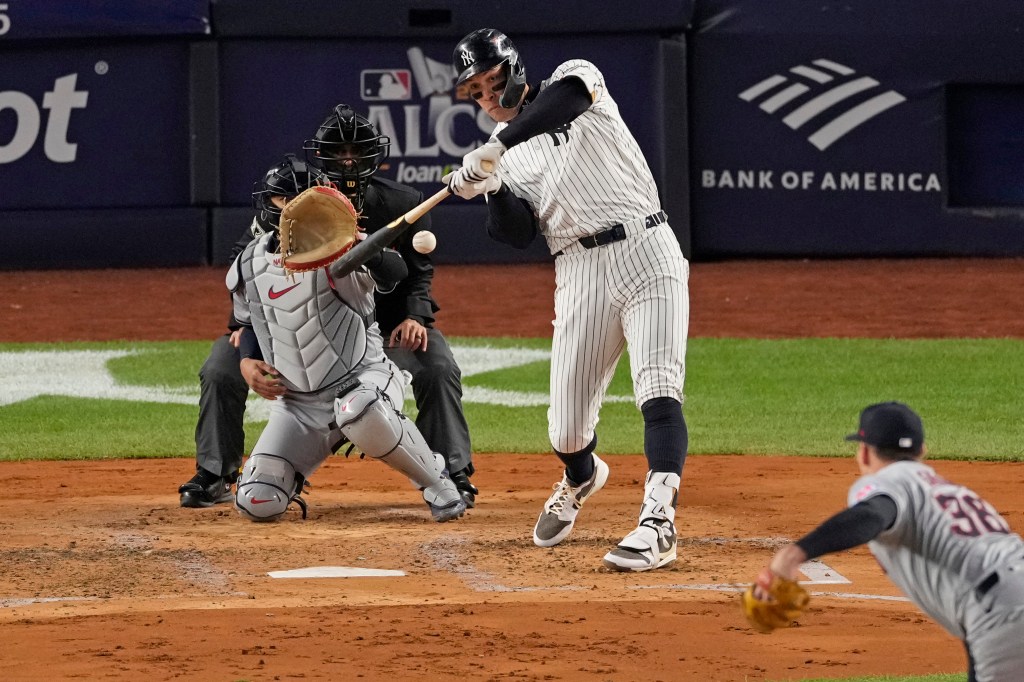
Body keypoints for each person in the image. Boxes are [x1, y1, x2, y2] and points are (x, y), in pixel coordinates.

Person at [445, 28, 690, 571]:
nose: (487, 97)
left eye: (492, 82)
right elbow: (515, 234)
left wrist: (494, 148)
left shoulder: (573, 82)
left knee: (659, 389)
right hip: (579, 270)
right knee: (566, 429)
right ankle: (582, 476)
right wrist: (490, 186)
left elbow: (565, 101)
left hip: (648, 248)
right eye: (476, 90)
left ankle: (658, 522)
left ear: (513, 70)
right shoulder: (503, 157)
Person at [229, 184, 466, 523]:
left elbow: (396, 272)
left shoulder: (346, 258)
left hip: (363, 379)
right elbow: (248, 321)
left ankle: (436, 481)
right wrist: (247, 359)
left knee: (359, 409)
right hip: (299, 405)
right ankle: (286, 473)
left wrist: (367, 249)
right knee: (256, 499)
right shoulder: (250, 262)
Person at [753, 402, 1024, 682]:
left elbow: (873, 514)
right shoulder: (953, 491)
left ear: (865, 452)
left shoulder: (888, 482)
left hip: (1003, 609)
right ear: (921, 451)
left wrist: (792, 555)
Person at [303, 103, 477, 507]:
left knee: (437, 366)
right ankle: (263, 474)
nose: (348, 159)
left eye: (356, 150)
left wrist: (416, 316)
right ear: (322, 156)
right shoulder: (303, 209)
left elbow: (420, 271)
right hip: (326, 334)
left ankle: (451, 473)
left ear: (372, 155)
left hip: (393, 325)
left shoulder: (405, 203)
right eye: (338, 151)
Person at [178, 154, 326, 508]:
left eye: (299, 198)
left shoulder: (336, 233)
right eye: (281, 198)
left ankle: (437, 475)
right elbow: (247, 303)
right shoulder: (256, 238)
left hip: (327, 339)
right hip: (271, 333)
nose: (289, 206)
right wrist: (246, 344)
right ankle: (216, 473)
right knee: (220, 368)